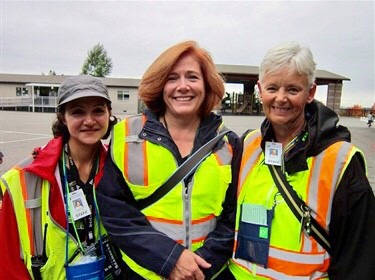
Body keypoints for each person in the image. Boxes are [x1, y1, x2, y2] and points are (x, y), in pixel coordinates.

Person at [228, 42, 375, 279]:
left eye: (293, 90)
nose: (281, 98)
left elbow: (358, 258)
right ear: (260, 89)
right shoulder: (247, 146)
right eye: (272, 88)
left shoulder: (341, 160)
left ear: (310, 93)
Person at [96, 40, 241, 279]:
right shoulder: (126, 135)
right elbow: (116, 213)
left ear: (206, 85)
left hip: (206, 273)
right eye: (172, 78)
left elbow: (233, 217)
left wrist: (198, 268)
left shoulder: (228, 143)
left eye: (192, 77)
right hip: (144, 274)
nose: (182, 86)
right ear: (160, 85)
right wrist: (171, 260)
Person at [0, 75, 124, 279]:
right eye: (77, 112)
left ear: (109, 114)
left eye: (98, 110)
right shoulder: (25, 179)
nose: (90, 120)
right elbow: (8, 261)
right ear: (63, 118)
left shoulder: (122, 167)